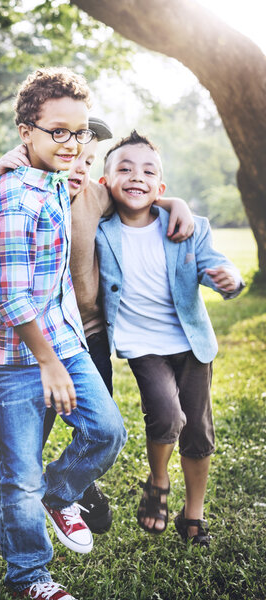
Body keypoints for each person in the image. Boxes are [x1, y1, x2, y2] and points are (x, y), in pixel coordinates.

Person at [0, 125, 195, 555]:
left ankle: (70, 492)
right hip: (28, 341)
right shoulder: (21, 196)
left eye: (88, 160)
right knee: (23, 443)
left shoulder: (95, 197)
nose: (79, 167)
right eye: (72, 156)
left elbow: (137, 195)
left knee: (99, 428)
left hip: (85, 338)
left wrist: (174, 201)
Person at [0, 66, 128, 600]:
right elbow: (10, 293)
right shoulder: (11, 195)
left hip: (62, 339)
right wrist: (47, 361)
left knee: (107, 431)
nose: (70, 142)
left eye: (79, 132)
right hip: (15, 354)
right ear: (27, 133)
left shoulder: (60, 184)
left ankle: (58, 494)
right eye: (57, 131)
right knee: (18, 474)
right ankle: (30, 578)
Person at [95, 130, 244, 547]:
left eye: (147, 171)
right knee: (166, 415)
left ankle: (192, 516)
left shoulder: (188, 226)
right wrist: (167, 198)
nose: (135, 176)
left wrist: (228, 279)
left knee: (197, 430)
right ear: (106, 182)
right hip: (143, 345)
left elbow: (214, 264)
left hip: (191, 344)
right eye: (123, 169)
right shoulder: (101, 230)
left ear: (160, 187)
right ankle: (158, 481)